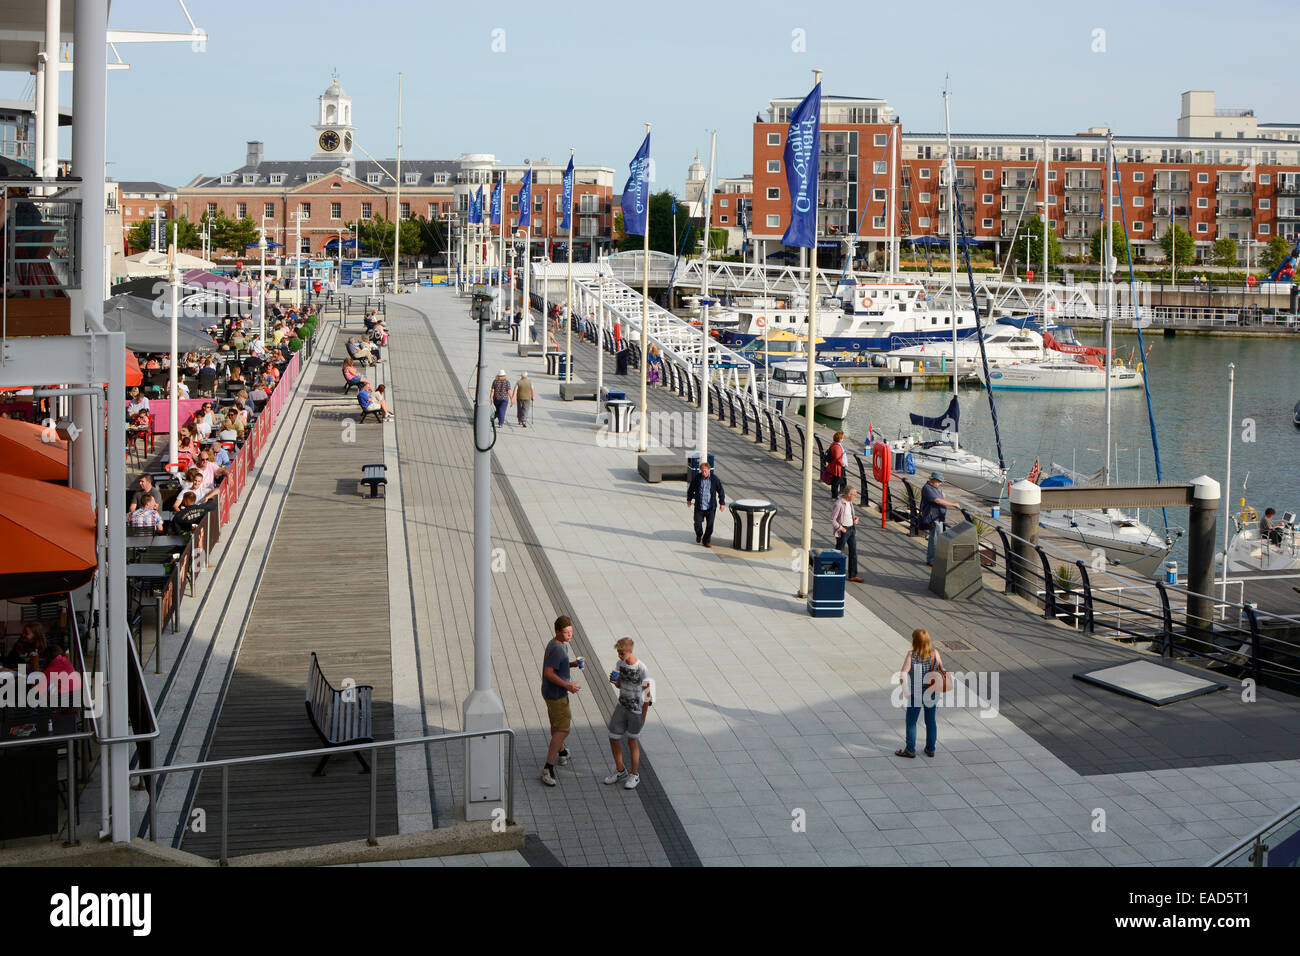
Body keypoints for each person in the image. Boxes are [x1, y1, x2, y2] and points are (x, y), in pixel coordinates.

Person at [604, 637, 652, 790]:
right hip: (622, 706)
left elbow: (648, 694)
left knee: (632, 741)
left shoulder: (642, 668)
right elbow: (620, 685)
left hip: (635, 710)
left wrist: (643, 714)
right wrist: (615, 682)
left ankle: (634, 774)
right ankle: (620, 770)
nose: (619, 656)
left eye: (622, 653)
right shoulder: (620, 664)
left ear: (630, 651)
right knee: (613, 737)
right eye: (618, 653)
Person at [540, 615, 581, 787]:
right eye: (566, 632)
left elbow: (558, 665)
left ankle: (563, 752)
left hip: (551, 693)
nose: (570, 635)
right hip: (557, 694)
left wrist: (572, 664)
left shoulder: (558, 644)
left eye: (571, 631)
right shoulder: (557, 648)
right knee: (563, 729)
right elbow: (549, 672)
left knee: (556, 726)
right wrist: (568, 685)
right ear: (557, 631)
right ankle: (548, 768)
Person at [896, 628, 947, 759]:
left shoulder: (911, 655)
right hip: (932, 692)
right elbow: (942, 669)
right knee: (931, 721)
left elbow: (902, 674)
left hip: (916, 694)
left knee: (911, 722)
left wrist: (906, 690)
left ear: (915, 641)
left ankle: (910, 750)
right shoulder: (935, 653)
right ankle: (930, 749)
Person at [920, 472, 957, 566]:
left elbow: (941, 496)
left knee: (936, 538)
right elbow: (937, 500)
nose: (940, 483)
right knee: (935, 539)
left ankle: (932, 559)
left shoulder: (934, 488)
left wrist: (941, 494)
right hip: (933, 517)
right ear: (933, 480)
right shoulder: (928, 488)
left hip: (938, 517)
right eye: (939, 481)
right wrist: (953, 504)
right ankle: (932, 560)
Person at [686, 460, 726, 547]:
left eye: (705, 471)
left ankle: (706, 540)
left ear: (709, 470)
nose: (704, 473)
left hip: (710, 507)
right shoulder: (697, 478)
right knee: (697, 523)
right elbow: (691, 489)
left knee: (710, 526)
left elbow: (721, 491)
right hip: (699, 506)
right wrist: (689, 499)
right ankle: (699, 534)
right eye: (702, 471)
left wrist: (722, 503)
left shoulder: (714, 479)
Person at [831, 486, 864, 583]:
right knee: (839, 552)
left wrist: (855, 519)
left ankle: (852, 575)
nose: (855, 497)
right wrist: (841, 529)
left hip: (852, 529)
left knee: (853, 552)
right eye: (854, 495)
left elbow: (849, 514)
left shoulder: (850, 502)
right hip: (843, 530)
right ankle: (835, 573)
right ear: (848, 494)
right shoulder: (839, 504)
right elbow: (832, 520)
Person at [826, 430, 847, 500]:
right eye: (842, 437)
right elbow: (838, 458)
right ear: (839, 438)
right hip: (838, 468)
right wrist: (843, 464)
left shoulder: (833, 444)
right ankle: (835, 496)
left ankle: (837, 495)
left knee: (837, 481)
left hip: (835, 466)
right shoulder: (837, 447)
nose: (843, 439)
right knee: (836, 481)